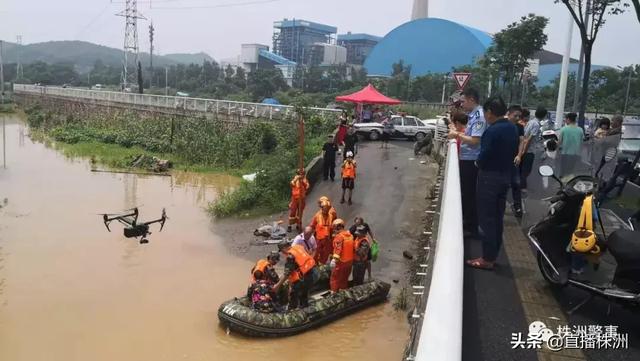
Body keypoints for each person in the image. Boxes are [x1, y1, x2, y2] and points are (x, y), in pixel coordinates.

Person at [465, 97, 518, 270]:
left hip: (489, 178)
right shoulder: (512, 127)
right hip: (505, 177)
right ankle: (493, 254)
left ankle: (487, 258)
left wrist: (477, 164)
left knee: (486, 218)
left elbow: (484, 154)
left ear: (489, 112)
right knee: (497, 217)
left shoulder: (492, 131)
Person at [448, 88, 486, 238]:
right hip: (467, 158)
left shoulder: (479, 116)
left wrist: (456, 134)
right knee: (465, 193)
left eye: (463, 101)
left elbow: (475, 140)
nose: (462, 104)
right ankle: (468, 222)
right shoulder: (474, 115)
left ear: (471, 99)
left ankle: (472, 228)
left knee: (469, 194)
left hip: (471, 160)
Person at [274, 241, 317, 309]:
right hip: (313, 271)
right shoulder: (298, 247)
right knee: (304, 293)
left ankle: (292, 309)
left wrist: (277, 286)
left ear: (284, 248)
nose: (282, 253)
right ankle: (304, 306)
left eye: (282, 251)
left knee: (294, 293)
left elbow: (287, 274)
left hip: (304, 278)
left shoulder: (290, 257)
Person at [519, 107, 544, 190]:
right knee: (526, 171)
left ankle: (519, 187)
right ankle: (522, 189)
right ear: (544, 116)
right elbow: (529, 139)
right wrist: (524, 151)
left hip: (524, 149)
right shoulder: (536, 124)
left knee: (522, 170)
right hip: (529, 151)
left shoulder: (530, 122)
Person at [507, 105, 524, 218]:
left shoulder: (519, 127)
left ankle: (518, 207)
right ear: (509, 114)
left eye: (519, 116)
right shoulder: (503, 125)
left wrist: (519, 155)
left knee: (516, 183)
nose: (517, 118)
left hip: (514, 160)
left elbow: (522, 142)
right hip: (502, 160)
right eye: (515, 115)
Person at [329, 219, 354, 292]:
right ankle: (343, 290)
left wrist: (334, 260)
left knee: (335, 277)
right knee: (344, 277)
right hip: (349, 261)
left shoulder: (339, 237)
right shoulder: (350, 236)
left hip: (341, 262)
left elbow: (338, 249)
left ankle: (334, 292)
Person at [558, 113, 584, 177]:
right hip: (576, 154)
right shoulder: (580, 130)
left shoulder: (563, 129)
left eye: (565, 119)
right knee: (572, 172)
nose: (565, 121)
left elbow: (559, 142)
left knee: (563, 172)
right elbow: (582, 143)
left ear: (568, 119)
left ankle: (562, 184)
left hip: (565, 154)